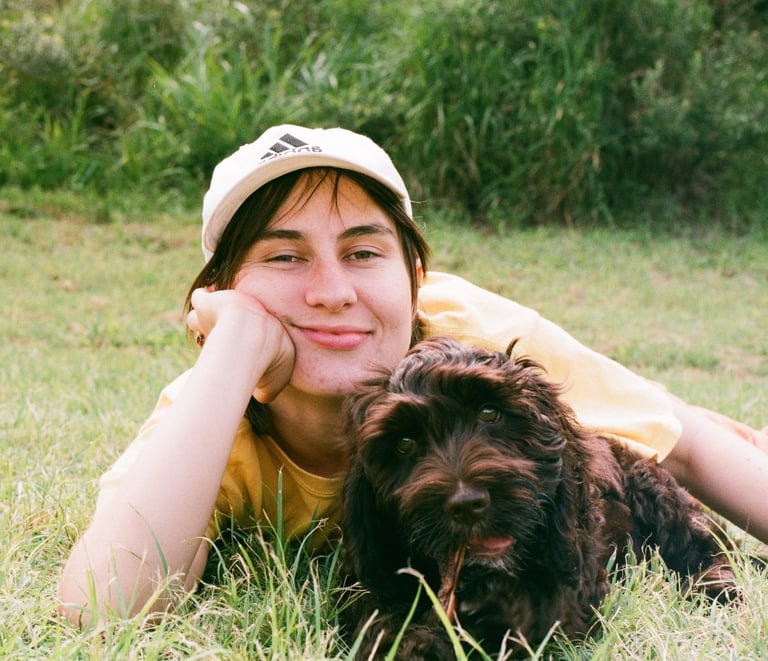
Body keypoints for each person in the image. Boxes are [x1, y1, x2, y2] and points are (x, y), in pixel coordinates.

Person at [57, 124, 768, 625]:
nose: (331, 291)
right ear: (221, 291)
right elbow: (101, 614)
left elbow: (683, 445)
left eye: (364, 252)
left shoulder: (474, 339)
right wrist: (236, 344)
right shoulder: (209, 412)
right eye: (283, 256)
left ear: (415, 278)